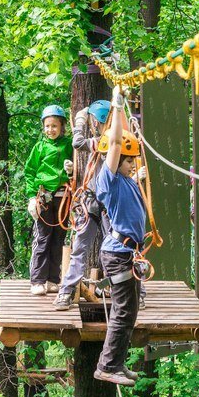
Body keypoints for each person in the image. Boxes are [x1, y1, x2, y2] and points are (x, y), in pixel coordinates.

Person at [52, 100, 147, 311]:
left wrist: (79, 119)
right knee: (119, 247)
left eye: (94, 120)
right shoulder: (106, 141)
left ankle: (67, 293)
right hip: (95, 202)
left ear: (98, 121)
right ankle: (136, 294)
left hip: (98, 203)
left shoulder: (102, 141)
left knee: (100, 248)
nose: (92, 124)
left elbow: (78, 143)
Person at [92, 86, 146, 387]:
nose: (131, 164)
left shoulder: (127, 181)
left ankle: (117, 362)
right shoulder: (108, 180)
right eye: (128, 160)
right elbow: (113, 143)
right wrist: (117, 106)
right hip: (118, 254)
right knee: (124, 310)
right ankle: (107, 365)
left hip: (128, 253)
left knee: (131, 311)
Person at [24, 104, 73, 296]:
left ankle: (53, 279)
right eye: (47, 126)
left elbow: (80, 166)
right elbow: (30, 172)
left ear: (62, 126)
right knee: (43, 237)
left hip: (63, 196)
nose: (50, 130)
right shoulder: (39, 148)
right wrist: (31, 197)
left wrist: (71, 170)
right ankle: (37, 280)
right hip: (43, 196)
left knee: (58, 238)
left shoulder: (69, 145)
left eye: (54, 126)